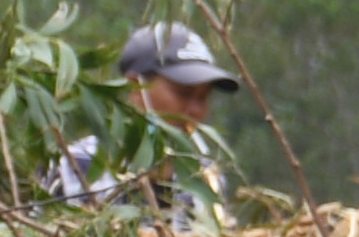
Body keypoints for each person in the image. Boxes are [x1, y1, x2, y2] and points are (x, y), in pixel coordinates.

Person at [50, 21, 241, 222]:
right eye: (183, 93)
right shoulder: (76, 166)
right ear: (135, 87)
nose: (195, 110)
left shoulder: (206, 179)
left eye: (203, 98)